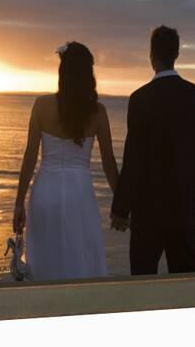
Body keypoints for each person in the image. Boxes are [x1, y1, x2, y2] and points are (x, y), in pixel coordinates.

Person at [12, 41, 119, 281]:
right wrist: (121, 204)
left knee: (47, 263)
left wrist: (19, 203)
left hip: (45, 191)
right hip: (79, 194)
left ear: (63, 72)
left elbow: (30, 157)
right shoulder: (98, 112)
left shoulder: (41, 106)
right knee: (80, 259)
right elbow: (108, 162)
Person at [111, 25, 195, 275]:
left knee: (143, 286)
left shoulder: (140, 99)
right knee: (189, 287)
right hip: (183, 211)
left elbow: (133, 159)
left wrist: (121, 209)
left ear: (151, 55)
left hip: (147, 215)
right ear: (176, 54)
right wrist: (192, 203)